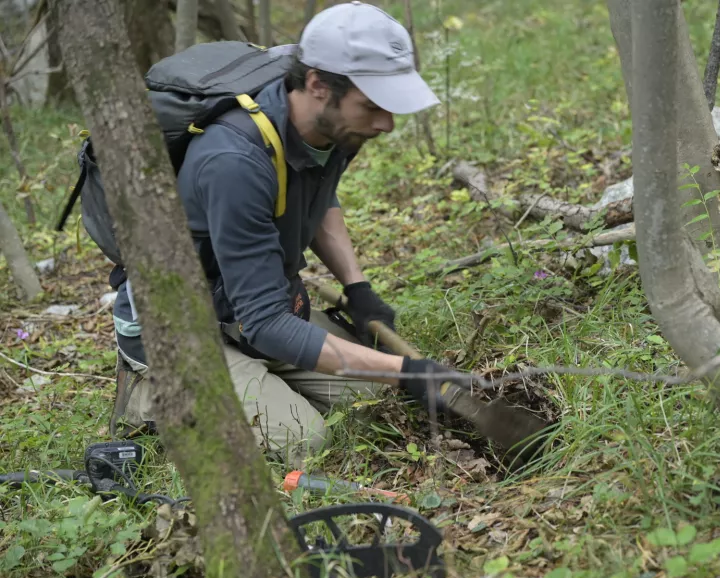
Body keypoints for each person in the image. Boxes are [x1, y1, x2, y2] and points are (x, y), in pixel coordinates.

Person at [109, 1, 465, 466]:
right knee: (306, 440)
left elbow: (319, 200)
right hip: (184, 325)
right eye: (373, 106)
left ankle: (251, 380)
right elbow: (266, 323)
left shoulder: (332, 125)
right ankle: (151, 391)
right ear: (317, 84)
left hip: (250, 303)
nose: (386, 124)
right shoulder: (234, 160)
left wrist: (358, 289)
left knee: (373, 405)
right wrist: (409, 372)